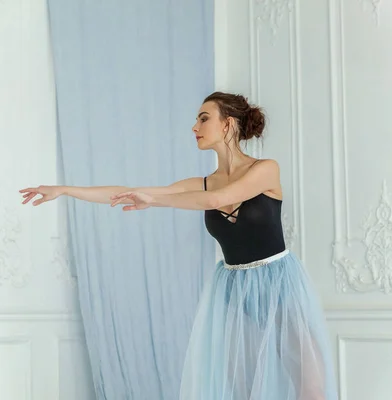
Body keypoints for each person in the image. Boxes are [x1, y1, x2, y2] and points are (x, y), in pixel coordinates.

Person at [19, 92, 338, 399]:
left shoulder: (265, 169)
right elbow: (127, 191)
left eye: (203, 118)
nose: (194, 127)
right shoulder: (200, 183)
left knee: (311, 390)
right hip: (233, 291)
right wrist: (63, 190)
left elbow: (219, 199)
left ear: (227, 124)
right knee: (240, 391)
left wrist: (154, 200)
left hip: (278, 285)